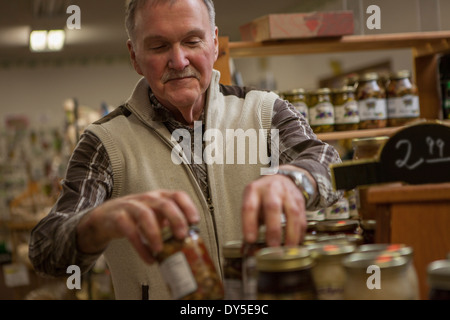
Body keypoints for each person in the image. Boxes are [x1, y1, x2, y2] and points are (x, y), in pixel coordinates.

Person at [29, 0, 342, 300]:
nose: (179, 61)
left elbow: (327, 161)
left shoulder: (263, 110)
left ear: (215, 43)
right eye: (159, 46)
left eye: (192, 41)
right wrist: (96, 223)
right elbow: (45, 250)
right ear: (134, 56)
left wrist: (296, 180)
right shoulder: (104, 142)